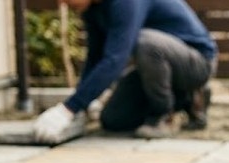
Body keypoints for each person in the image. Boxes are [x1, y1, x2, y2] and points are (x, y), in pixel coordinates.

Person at [33, 0, 218, 143]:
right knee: (113, 120)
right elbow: (95, 58)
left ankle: (163, 116)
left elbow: (115, 60)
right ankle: (186, 99)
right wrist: (84, 104)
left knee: (145, 42)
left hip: (196, 64)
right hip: (157, 66)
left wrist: (67, 109)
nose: (61, 2)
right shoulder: (93, 9)